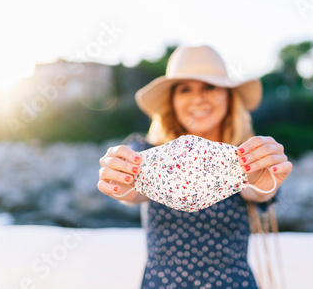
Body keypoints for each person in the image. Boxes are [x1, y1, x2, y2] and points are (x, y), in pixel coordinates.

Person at [98, 45, 292, 288]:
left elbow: (259, 191)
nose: (198, 98)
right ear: (172, 101)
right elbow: (134, 192)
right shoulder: (146, 149)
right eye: (185, 89)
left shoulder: (245, 155)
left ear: (229, 96)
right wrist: (120, 179)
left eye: (210, 87)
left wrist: (264, 182)